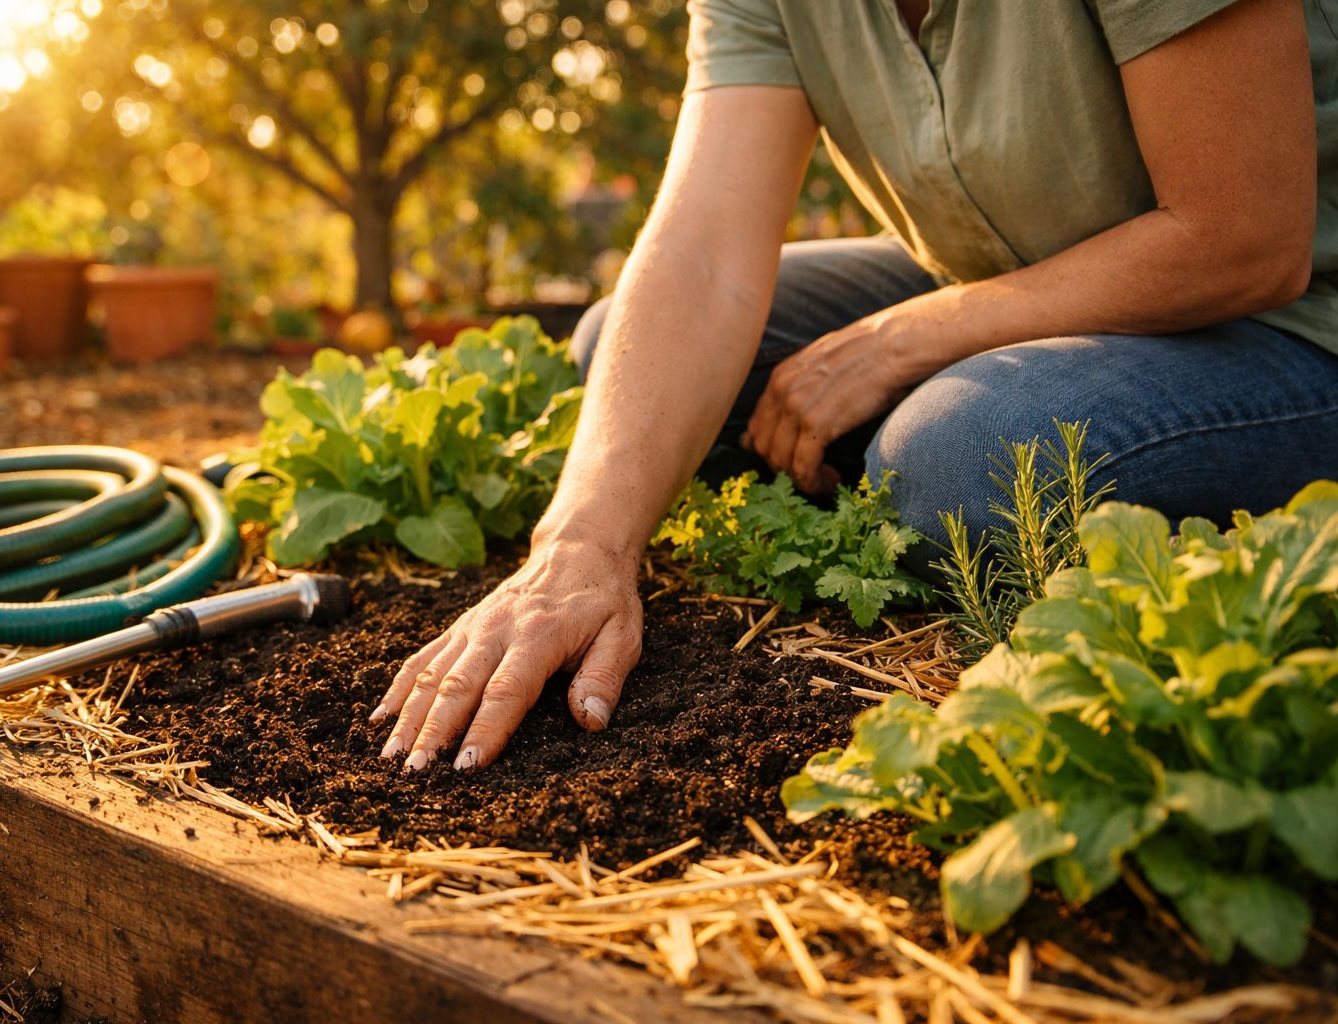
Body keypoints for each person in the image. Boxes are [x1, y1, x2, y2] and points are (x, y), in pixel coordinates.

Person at [370, 0, 1338, 772]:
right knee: (621, 358)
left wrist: (906, 338)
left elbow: (1241, 236)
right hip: (1019, 267)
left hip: (1287, 314)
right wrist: (578, 546)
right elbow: (703, 256)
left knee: (962, 460)